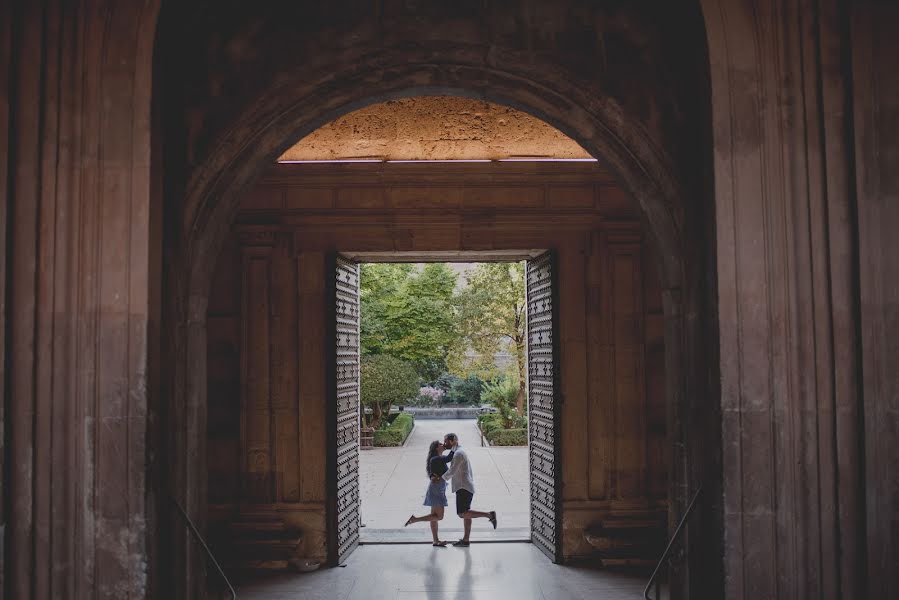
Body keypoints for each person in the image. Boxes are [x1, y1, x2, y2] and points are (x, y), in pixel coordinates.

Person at [436, 432, 497, 546]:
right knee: (466, 513)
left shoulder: (458, 453)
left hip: (463, 487)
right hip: (465, 486)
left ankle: (489, 515)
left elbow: (452, 471)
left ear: (453, 440)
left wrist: (440, 479)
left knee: (462, 513)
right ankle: (466, 540)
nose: (445, 444)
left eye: (446, 441)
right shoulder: (457, 451)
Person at [403, 440, 455, 546]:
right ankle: (415, 519)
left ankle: (436, 540)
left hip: (437, 488)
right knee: (439, 517)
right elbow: (449, 458)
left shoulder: (436, 459)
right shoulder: (436, 458)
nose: (442, 445)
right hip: (437, 489)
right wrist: (454, 446)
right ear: (436, 448)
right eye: (440, 444)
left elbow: (434, 473)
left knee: (434, 516)